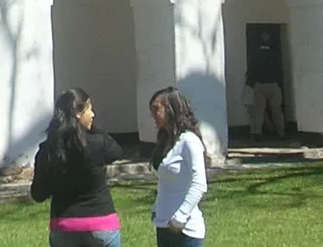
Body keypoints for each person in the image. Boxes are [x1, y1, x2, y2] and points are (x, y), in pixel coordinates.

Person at [30, 88, 126, 247]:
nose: (93, 115)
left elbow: (38, 194)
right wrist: (94, 128)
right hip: (101, 225)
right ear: (78, 114)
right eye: (90, 109)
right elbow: (116, 151)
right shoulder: (97, 144)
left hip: (64, 227)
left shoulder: (48, 150)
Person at [149, 88, 207, 247]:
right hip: (163, 225)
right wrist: (156, 209)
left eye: (156, 109)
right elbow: (165, 183)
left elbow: (199, 184)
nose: (153, 115)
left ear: (171, 109)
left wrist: (180, 218)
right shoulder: (165, 142)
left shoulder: (189, 141)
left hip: (185, 230)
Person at [245, 27, 284, 141]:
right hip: (268, 84)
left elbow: (252, 69)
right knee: (270, 110)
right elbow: (278, 68)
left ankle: (260, 133)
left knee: (262, 111)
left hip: (264, 84)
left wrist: (249, 83)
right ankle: (278, 133)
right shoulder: (274, 52)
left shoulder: (256, 53)